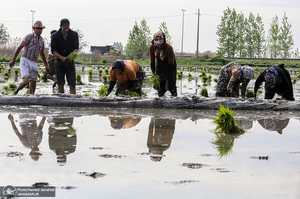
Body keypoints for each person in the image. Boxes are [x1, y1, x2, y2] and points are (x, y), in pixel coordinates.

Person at [9, 21, 49, 95]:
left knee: (33, 84)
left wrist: (46, 65)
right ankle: (16, 91)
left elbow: (42, 54)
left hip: (34, 62)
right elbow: (19, 47)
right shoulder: (29, 37)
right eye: (37, 28)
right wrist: (13, 60)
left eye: (41, 29)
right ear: (34, 29)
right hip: (25, 60)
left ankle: (31, 97)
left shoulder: (41, 40)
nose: (39, 30)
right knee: (26, 81)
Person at [51, 18, 79, 94]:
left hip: (70, 61)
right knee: (60, 83)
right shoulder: (55, 36)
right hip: (59, 62)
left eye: (67, 28)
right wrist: (62, 58)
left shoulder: (74, 35)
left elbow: (76, 48)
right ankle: (61, 100)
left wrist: (70, 56)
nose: (66, 30)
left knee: (72, 83)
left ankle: (73, 99)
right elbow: (53, 51)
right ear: (60, 26)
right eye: (64, 29)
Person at [150, 32, 177, 97]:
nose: (158, 41)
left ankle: (174, 99)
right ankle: (161, 99)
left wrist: (164, 75)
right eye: (156, 40)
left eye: (160, 39)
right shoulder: (152, 47)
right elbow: (152, 61)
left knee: (171, 84)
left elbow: (171, 64)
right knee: (160, 86)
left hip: (170, 65)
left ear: (163, 39)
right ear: (154, 40)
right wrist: (154, 74)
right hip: (159, 64)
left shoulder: (169, 47)